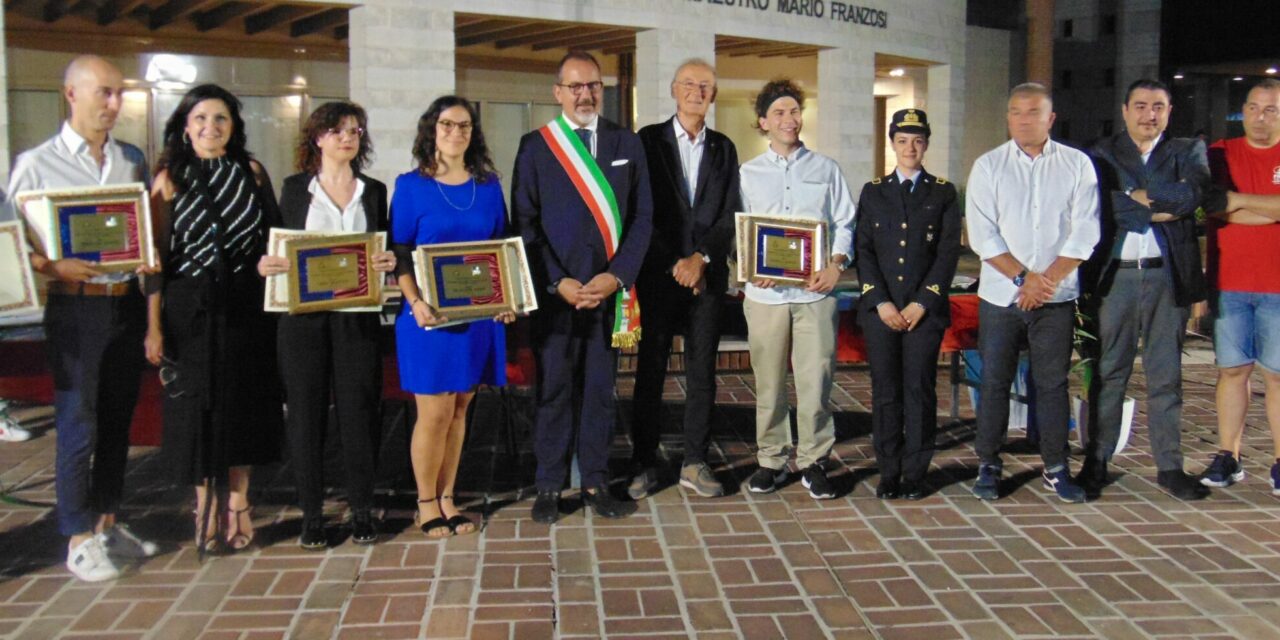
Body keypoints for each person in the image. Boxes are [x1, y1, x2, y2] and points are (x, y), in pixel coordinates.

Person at [6, 55, 158, 581]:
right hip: (74, 308)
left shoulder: (130, 158)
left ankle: (109, 521)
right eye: (103, 93)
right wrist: (52, 264)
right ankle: (76, 536)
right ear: (71, 94)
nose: (113, 104)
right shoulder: (36, 163)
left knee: (119, 421)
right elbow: (13, 249)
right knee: (78, 424)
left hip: (125, 304)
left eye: (118, 93)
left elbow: (140, 228)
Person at [511, 51, 653, 523]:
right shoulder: (535, 146)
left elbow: (642, 217)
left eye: (593, 85)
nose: (586, 94)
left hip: (607, 294)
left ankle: (595, 479)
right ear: (558, 93)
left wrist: (617, 275)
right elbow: (525, 224)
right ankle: (550, 484)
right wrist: (556, 281)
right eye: (575, 87)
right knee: (553, 391)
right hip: (558, 297)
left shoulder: (625, 142)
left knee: (599, 390)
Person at [148, 84, 283, 554]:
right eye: (201, 118)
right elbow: (156, 259)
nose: (211, 127)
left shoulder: (251, 171)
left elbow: (275, 237)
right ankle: (204, 505)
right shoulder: (169, 178)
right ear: (185, 127)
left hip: (246, 306)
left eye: (221, 118)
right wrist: (154, 324)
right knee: (197, 410)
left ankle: (239, 504)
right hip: (191, 309)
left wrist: (271, 264)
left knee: (244, 405)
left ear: (234, 126)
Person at [258, 102, 396, 549]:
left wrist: (389, 260)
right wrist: (269, 263)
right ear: (317, 138)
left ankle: (361, 509)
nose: (347, 138)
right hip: (302, 322)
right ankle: (313, 514)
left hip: (357, 321)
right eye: (337, 131)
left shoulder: (374, 191)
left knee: (359, 413)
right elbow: (277, 246)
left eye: (355, 130)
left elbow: (385, 248)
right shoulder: (294, 189)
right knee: (306, 415)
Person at [965, 82, 1100, 503]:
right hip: (1002, 297)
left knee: (1052, 384)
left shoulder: (1077, 164)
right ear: (1008, 118)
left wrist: (1046, 282)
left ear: (1050, 118)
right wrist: (1025, 279)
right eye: (1017, 112)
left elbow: (1085, 229)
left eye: (1034, 112)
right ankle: (989, 463)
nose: (1025, 119)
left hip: (1055, 300)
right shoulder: (988, 166)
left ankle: (1056, 467)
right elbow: (983, 235)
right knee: (994, 382)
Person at [1080, 79, 1210, 500]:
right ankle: (1096, 460)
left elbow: (1190, 197)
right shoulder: (1101, 153)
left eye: (1158, 106)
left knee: (1165, 376)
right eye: (1140, 105)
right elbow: (1102, 203)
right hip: (1115, 276)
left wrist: (1136, 198)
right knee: (1108, 372)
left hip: (1165, 277)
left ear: (1169, 112)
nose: (1148, 114)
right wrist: (1156, 208)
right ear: (1124, 110)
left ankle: (1170, 466)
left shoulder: (1188, 151)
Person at [391, 96, 512, 538]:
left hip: (477, 317)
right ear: (432, 130)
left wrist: (506, 298)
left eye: (464, 126)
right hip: (428, 318)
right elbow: (400, 250)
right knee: (434, 413)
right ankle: (425, 502)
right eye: (447, 125)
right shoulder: (410, 186)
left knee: (460, 410)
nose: (456, 133)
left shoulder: (489, 186)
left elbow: (502, 248)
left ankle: (448, 497)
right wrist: (416, 301)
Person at [629, 58, 741, 500]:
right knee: (650, 368)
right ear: (675, 90)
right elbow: (640, 210)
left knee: (702, 372)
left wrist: (701, 260)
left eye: (705, 86)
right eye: (689, 84)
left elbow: (730, 211)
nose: (697, 92)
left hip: (706, 278)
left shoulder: (724, 148)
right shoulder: (647, 141)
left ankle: (695, 461)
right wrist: (677, 262)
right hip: (659, 275)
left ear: (713, 96)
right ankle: (643, 459)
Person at [739, 78, 855, 500]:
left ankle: (814, 461)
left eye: (794, 111)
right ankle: (771, 460)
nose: (789, 119)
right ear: (763, 122)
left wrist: (835, 265)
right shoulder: (747, 174)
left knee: (816, 381)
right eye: (780, 113)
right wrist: (752, 268)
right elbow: (740, 233)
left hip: (816, 295)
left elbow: (845, 222)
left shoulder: (826, 169)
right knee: (768, 384)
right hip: (766, 297)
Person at [854, 108, 961, 501]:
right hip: (881, 311)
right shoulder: (874, 190)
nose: (910, 147)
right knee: (885, 392)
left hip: (923, 312)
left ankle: (915, 471)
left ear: (926, 143)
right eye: (902, 140)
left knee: (919, 390)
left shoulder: (943, 192)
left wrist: (922, 303)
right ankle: (889, 471)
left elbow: (948, 253)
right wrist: (880, 302)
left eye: (917, 140)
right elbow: (863, 250)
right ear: (892, 143)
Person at [1199, 79, 1280, 491]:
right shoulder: (1220, 153)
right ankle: (1228, 456)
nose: (1260, 118)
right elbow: (1213, 206)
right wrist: (1268, 208)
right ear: (1243, 109)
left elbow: (1228, 205)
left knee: (1278, 376)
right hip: (1229, 282)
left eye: (1271, 110)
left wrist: (1238, 201)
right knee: (1232, 371)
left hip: (1278, 285)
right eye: (1253, 108)